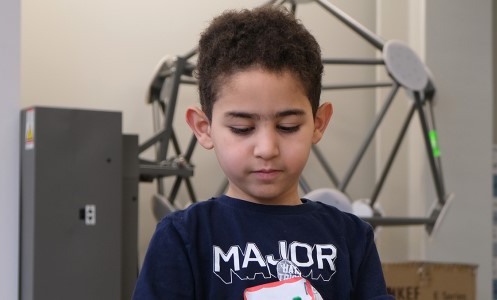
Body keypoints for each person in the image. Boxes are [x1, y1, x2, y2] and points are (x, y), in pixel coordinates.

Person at [133, 5, 393, 300]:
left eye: (288, 126)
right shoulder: (183, 237)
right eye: (242, 128)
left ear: (318, 124)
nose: (267, 149)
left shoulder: (351, 237)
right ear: (204, 128)